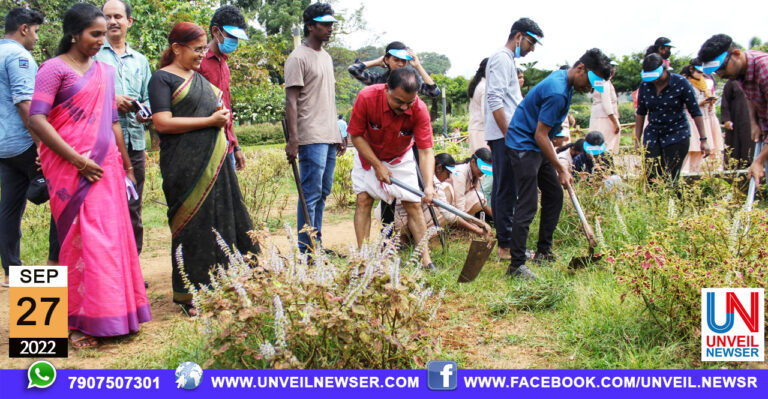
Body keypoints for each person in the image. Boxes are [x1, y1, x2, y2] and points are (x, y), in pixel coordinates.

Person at [28, 3, 150, 347]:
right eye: (94, 34)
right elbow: (38, 119)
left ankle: (111, 318)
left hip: (106, 168)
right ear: (74, 34)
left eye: (103, 34)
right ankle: (68, 324)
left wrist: (126, 166)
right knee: (74, 242)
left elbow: (112, 122)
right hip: (70, 168)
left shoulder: (103, 72)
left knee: (108, 241)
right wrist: (76, 160)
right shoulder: (53, 69)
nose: (101, 39)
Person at [147, 21, 258, 316]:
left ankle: (226, 282)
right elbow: (162, 123)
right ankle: (190, 294)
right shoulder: (162, 79)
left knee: (221, 219)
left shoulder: (200, 80)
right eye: (196, 50)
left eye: (201, 49)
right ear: (176, 48)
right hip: (183, 167)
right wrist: (210, 122)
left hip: (216, 162)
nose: (201, 55)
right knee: (192, 226)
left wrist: (223, 126)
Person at [505, 48, 613, 280]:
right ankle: (516, 265)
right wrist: (561, 167)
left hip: (536, 145)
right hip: (524, 144)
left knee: (554, 194)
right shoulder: (558, 92)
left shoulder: (566, 79)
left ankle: (544, 251)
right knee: (528, 203)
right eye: (591, 81)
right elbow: (540, 135)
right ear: (581, 68)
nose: (590, 88)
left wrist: (555, 164)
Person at [347, 68, 436, 270]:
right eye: (399, 101)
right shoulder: (367, 97)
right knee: (363, 199)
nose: (404, 107)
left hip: (399, 156)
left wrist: (429, 185)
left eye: (409, 102)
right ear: (387, 88)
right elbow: (356, 136)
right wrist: (377, 165)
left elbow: (425, 151)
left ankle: (426, 260)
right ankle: (363, 259)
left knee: (413, 205)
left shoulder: (420, 109)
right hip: (368, 153)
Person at [0, 8, 61, 288]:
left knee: (10, 207)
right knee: (61, 195)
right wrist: (41, 144)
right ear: (24, 29)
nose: (36, 37)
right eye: (35, 31)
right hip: (25, 142)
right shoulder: (18, 56)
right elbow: (25, 103)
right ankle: (55, 263)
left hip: (4, 146)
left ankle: (12, 271)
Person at [284, 3, 345, 254]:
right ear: (311, 26)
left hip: (329, 135)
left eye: (332, 23)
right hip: (310, 137)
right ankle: (306, 250)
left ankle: (316, 243)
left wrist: (339, 132)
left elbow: (327, 99)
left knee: (323, 192)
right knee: (310, 194)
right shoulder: (298, 58)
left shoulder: (326, 57)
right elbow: (291, 101)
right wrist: (293, 139)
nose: (330, 28)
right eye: (325, 24)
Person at [93, 0, 152, 256]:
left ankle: (133, 272)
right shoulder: (93, 55)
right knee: (103, 209)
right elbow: (86, 95)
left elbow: (150, 96)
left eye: (118, 16)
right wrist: (112, 100)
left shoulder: (140, 60)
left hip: (135, 143)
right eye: (107, 17)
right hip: (102, 145)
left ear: (129, 21)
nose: (113, 21)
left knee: (133, 207)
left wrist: (144, 111)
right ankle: (110, 270)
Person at [485, 17, 543, 260]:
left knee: (505, 187)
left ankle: (505, 243)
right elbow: (495, 99)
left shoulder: (507, 60)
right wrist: (509, 135)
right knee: (506, 189)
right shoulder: (501, 58)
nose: (531, 50)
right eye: (531, 43)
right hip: (503, 134)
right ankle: (506, 245)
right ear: (518, 36)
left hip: (506, 133)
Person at [698, 34, 768, 183]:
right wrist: (754, 122)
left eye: (722, 68)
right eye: (716, 71)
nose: (721, 75)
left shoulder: (765, 70)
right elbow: (751, 97)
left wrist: (759, 160)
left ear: (736, 54)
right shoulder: (740, 73)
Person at [634, 53, 710, 184]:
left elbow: (695, 111)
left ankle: (675, 203)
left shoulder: (681, 82)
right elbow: (641, 113)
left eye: (656, 77)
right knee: (652, 176)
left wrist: (703, 139)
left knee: (671, 178)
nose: (654, 81)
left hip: (677, 132)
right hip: (653, 133)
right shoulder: (645, 85)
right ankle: (657, 204)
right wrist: (637, 139)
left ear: (664, 70)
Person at [198, 5, 249, 172]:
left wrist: (236, 146)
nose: (234, 42)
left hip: (227, 144)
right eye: (231, 36)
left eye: (237, 38)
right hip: (206, 144)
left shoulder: (224, 65)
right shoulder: (199, 62)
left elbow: (227, 109)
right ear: (215, 31)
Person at [347, 41, 440, 97]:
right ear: (387, 59)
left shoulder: (411, 82)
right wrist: (377, 62)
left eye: (403, 61)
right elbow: (353, 69)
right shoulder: (378, 80)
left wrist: (418, 66)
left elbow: (434, 92)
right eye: (396, 60)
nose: (400, 64)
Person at [679, 63, 715, 173]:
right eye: (698, 72)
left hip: (703, 118)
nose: (700, 74)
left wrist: (710, 102)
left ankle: (696, 173)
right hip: (690, 118)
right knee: (688, 149)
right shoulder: (685, 83)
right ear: (691, 69)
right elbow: (682, 103)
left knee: (700, 151)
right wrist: (699, 103)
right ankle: (683, 173)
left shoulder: (704, 84)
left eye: (701, 72)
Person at [450, 148, 494, 218]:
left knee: (480, 198)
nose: (482, 173)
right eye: (482, 170)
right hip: (449, 205)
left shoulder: (478, 175)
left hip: (458, 206)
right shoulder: (460, 173)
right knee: (479, 197)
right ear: (473, 162)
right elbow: (459, 204)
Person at [721, 79, 756, 168]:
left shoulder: (756, 80)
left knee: (752, 146)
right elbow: (725, 101)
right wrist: (726, 119)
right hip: (736, 121)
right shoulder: (732, 82)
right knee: (735, 147)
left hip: (754, 121)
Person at [589, 65, 620, 154]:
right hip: (606, 119)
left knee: (596, 146)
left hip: (597, 117)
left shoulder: (598, 83)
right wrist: (615, 122)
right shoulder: (605, 83)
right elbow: (607, 105)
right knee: (606, 146)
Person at [468, 58, 489, 152]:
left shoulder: (478, 84)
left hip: (475, 129)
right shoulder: (485, 87)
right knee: (484, 163)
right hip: (481, 131)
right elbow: (486, 114)